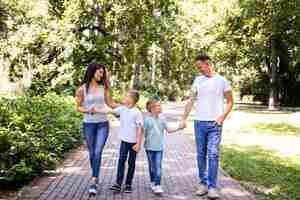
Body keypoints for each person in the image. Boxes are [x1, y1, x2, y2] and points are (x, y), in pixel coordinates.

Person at [182, 53, 233, 199]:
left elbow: (230, 101)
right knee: (200, 154)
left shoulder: (222, 81)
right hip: (199, 123)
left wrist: (222, 117)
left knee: (213, 154)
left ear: (208, 63)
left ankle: (212, 187)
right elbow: (191, 100)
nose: (199, 70)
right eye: (197, 67)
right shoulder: (198, 80)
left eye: (200, 66)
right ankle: (203, 184)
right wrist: (184, 118)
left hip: (214, 124)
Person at [75, 63, 110, 195]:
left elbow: (110, 103)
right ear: (92, 72)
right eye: (99, 72)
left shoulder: (104, 88)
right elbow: (78, 107)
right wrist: (88, 110)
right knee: (92, 153)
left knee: (98, 152)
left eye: (102, 73)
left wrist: (126, 106)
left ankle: (94, 181)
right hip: (88, 124)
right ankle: (96, 174)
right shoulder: (81, 89)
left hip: (103, 123)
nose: (101, 75)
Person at [105, 89, 144, 193]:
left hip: (133, 143)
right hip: (124, 141)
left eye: (126, 96)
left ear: (131, 99)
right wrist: (97, 110)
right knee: (121, 161)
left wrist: (138, 144)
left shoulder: (137, 112)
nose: (124, 98)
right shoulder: (122, 109)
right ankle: (118, 183)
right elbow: (110, 109)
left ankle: (128, 184)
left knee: (131, 163)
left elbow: (140, 129)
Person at [144, 100, 186, 195]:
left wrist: (179, 127)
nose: (160, 107)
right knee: (152, 167)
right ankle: (152, 182)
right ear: (152, 109)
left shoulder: (162, 118)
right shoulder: (147, 120)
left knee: (158, 166)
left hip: (159, 147)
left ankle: (158, 185)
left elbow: (169, 130)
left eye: (160, 105)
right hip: (149, 147)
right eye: (158, 106)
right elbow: (142, 132)